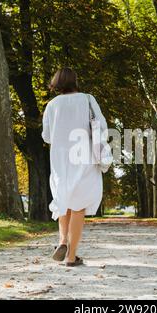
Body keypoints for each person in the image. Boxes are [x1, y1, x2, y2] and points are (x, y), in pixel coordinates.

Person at [41, 67, 107, 267]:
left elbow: (46, 136)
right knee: (78, 206)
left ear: (56, 83)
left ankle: (62, 241)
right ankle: (71, 256)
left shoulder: (52, 105)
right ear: (74, 81)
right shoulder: (87, 99)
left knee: (64, 201)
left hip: (60, 159)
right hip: (84, 156)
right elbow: (101, 125)